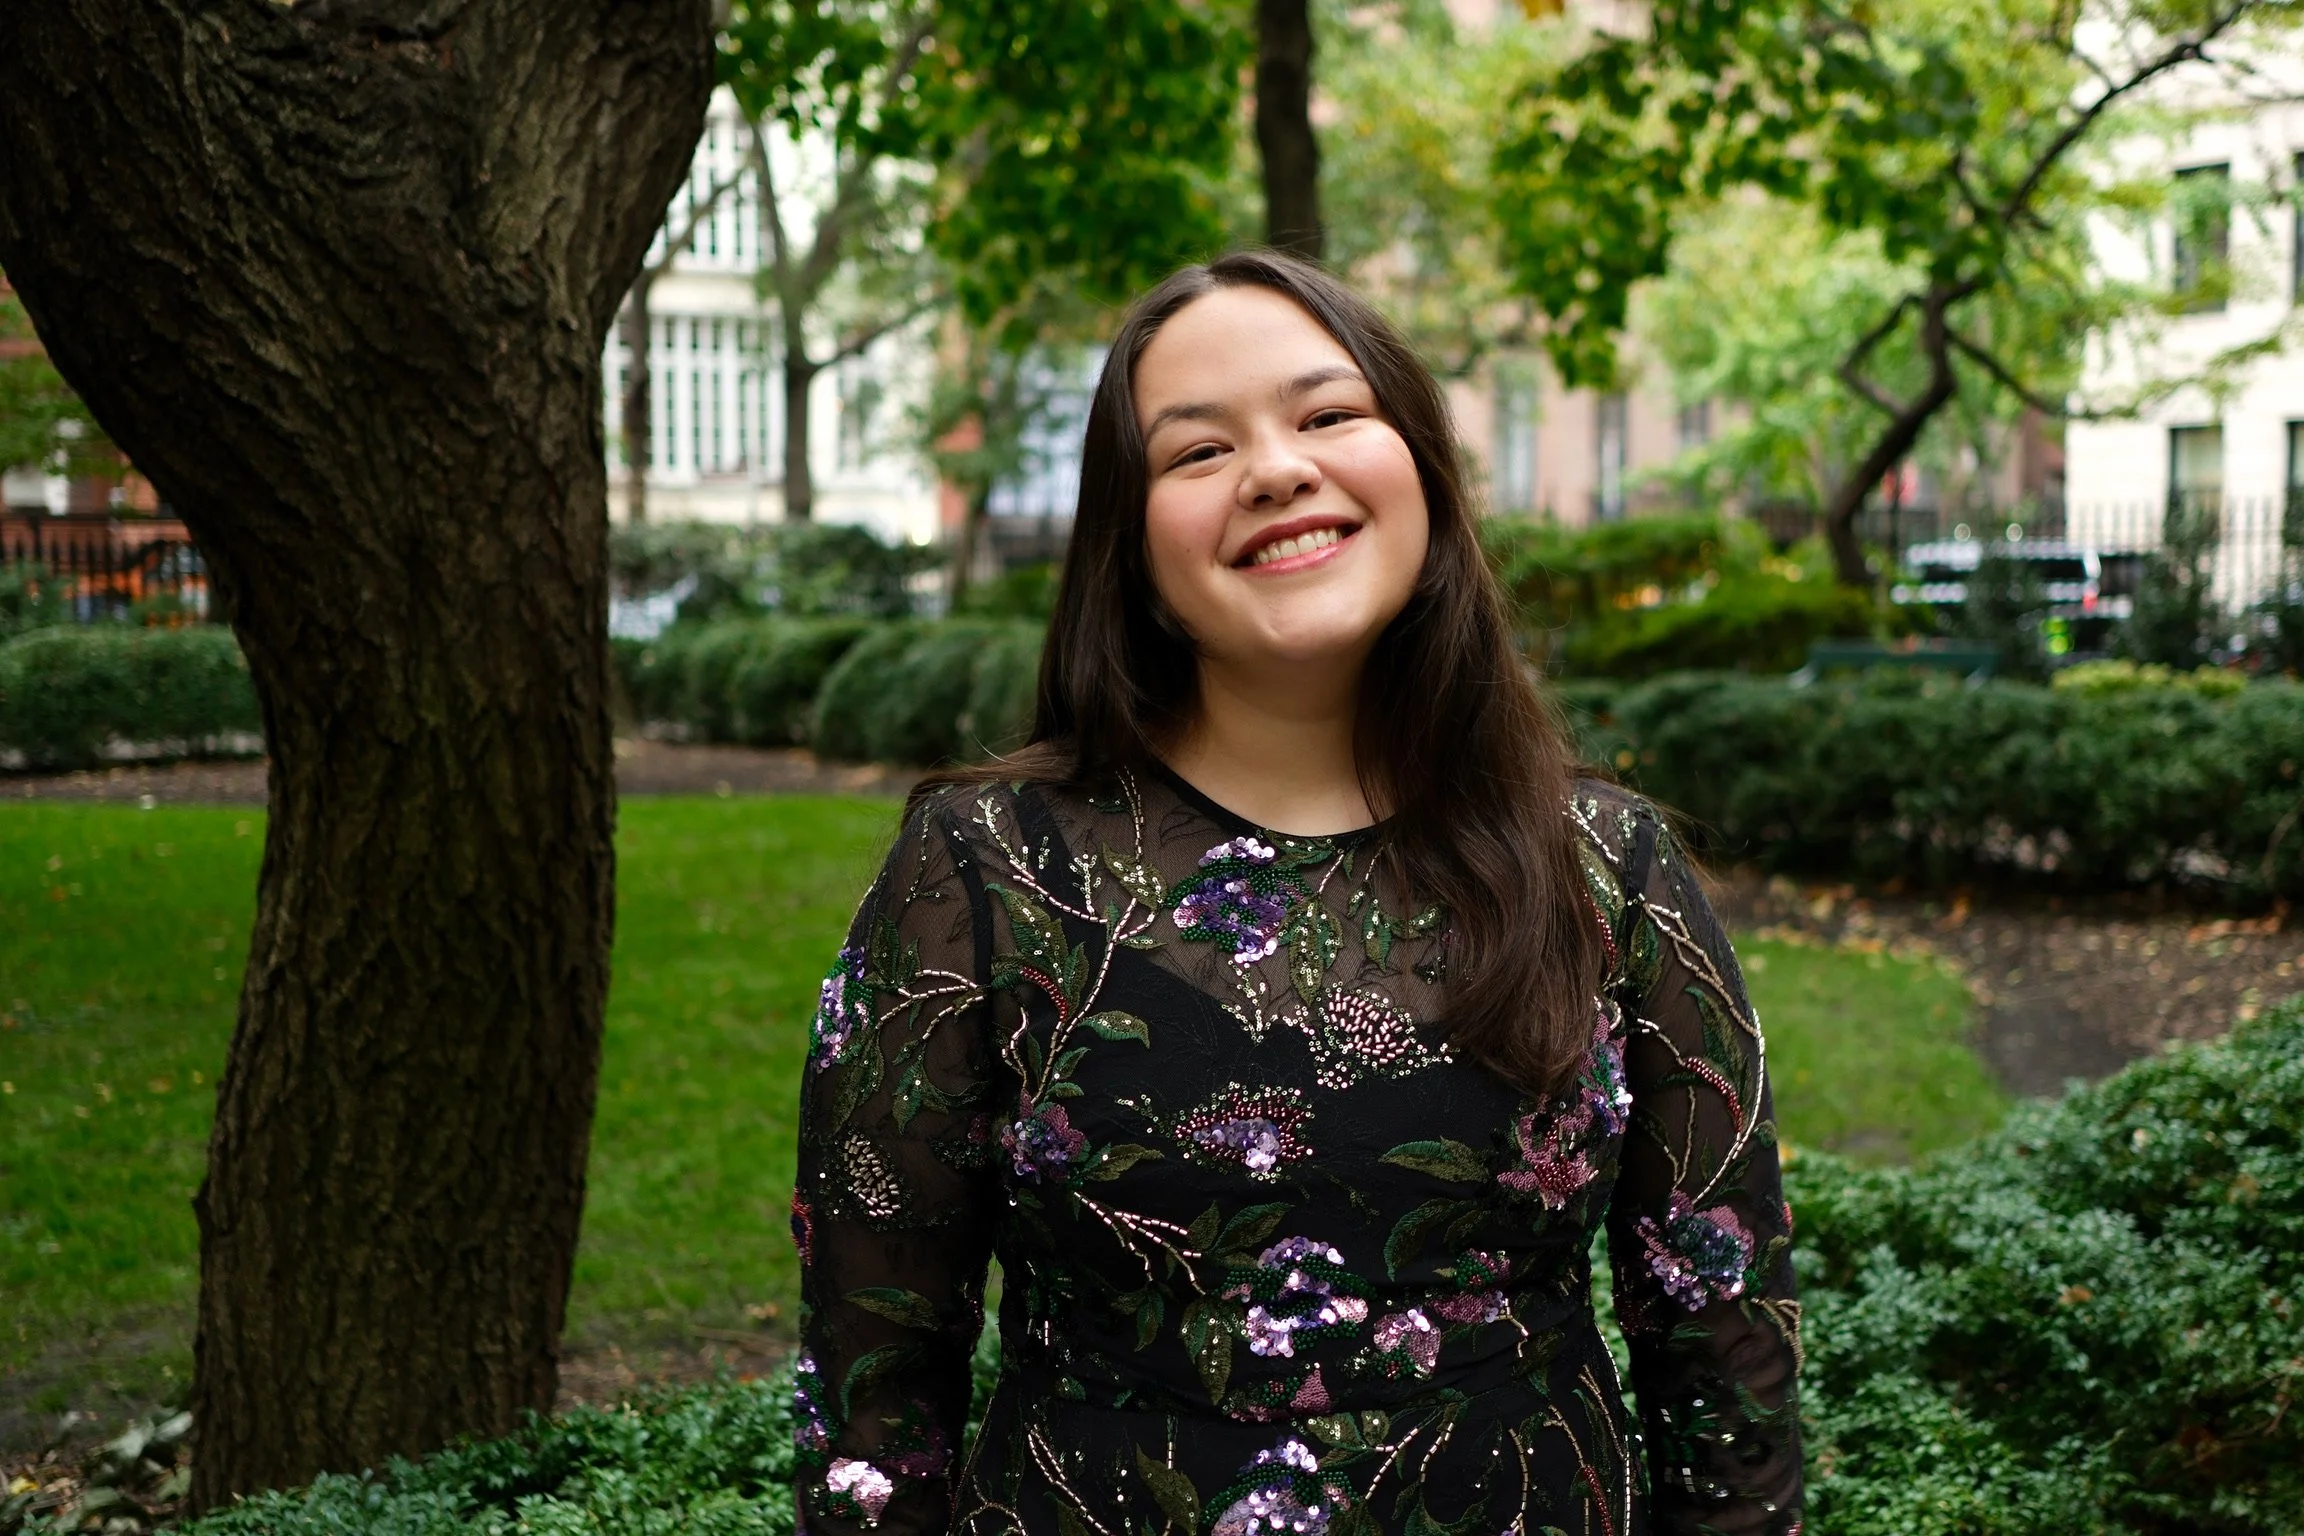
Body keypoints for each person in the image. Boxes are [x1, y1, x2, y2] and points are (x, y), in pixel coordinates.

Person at [790, 250, 1802, 1536]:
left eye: (1328, 415)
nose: (1277, 469)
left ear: (1421, 463)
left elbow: (1727, 1378)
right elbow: (874, 1404)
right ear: (1130, 540)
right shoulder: (984, 874)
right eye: (1197, 452)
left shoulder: (1607, 869)